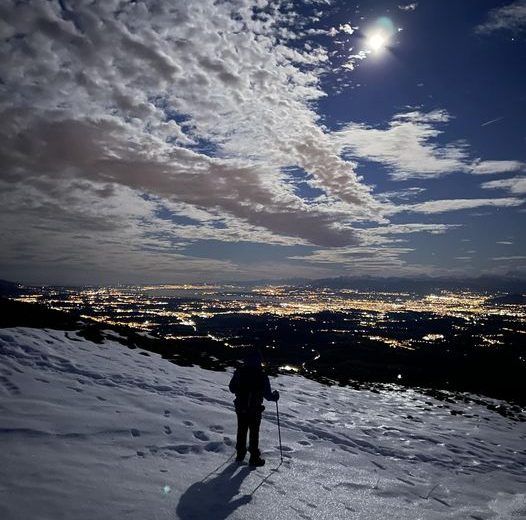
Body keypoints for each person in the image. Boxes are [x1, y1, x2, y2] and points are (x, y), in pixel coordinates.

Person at [228, 349, 279, 467]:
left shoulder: (240, 372)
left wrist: (241, 391)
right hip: (255, 409)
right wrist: (275, 397)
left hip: (241, 407)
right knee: (254, 432)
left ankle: (240, 454)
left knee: (241, 429)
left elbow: (232, 388)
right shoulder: (261, 375)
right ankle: (254, 457)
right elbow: (267, 395)